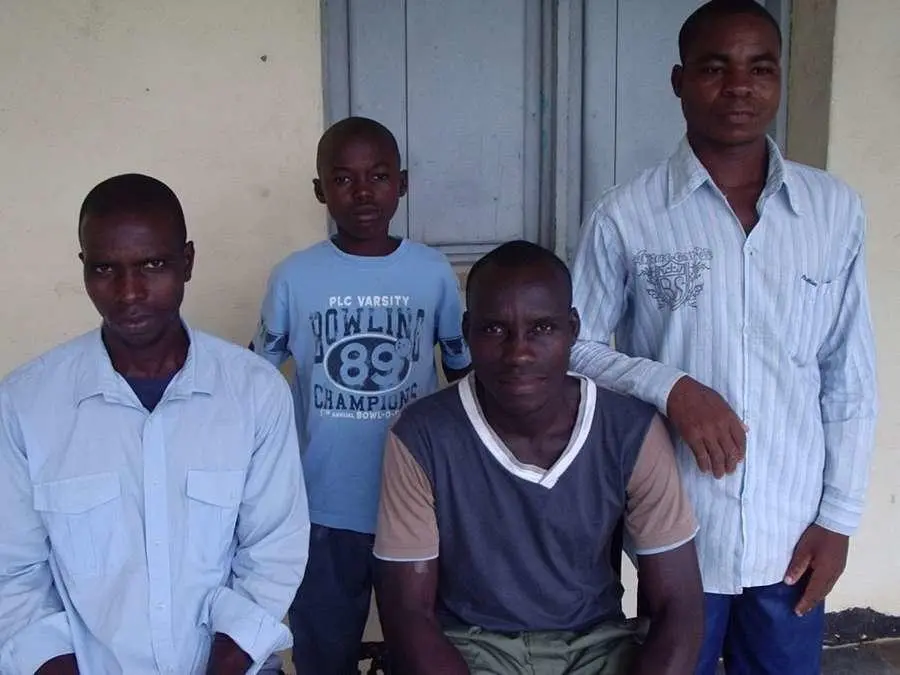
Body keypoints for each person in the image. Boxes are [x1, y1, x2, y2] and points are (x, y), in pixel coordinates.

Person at [570, 2, 878, 673]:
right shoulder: (627, 215)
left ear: (779, 79)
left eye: (760, 68)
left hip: (793, 532)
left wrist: (839, 519)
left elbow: (848, 376)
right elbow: (571, 349)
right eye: (715, 68)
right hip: (676, 530)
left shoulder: (832, 211)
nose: (739, 87)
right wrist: (671, 386)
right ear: (679, 81)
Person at [0, 174, 309, 675]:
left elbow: (272, 553)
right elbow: (13, 575)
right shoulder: (25, 404)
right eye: (105, 269)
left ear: (187, 262)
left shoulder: (254, 393)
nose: (129, 292)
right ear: (84, 267)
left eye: (152, 265)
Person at [374, 240, 703, 675]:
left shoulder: (630, 430)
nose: (519, 353)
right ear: (467, 331)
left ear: (573, 328)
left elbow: (680, 604)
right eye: (495, 330)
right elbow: (408, 613)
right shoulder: (421, 435)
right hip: (471, 647)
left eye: (542, 328)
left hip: (597, 646)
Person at [251, 116, 471, 674]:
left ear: (403, 183)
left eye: (378, 175)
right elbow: (255, 378)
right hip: (323, 504)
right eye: (344, 179)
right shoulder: (294, 277)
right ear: (320, 189)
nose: (363, 192)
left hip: (415, 500)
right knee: (324, 652)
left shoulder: (433, 272)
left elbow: (465, 378)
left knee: (420, 650)